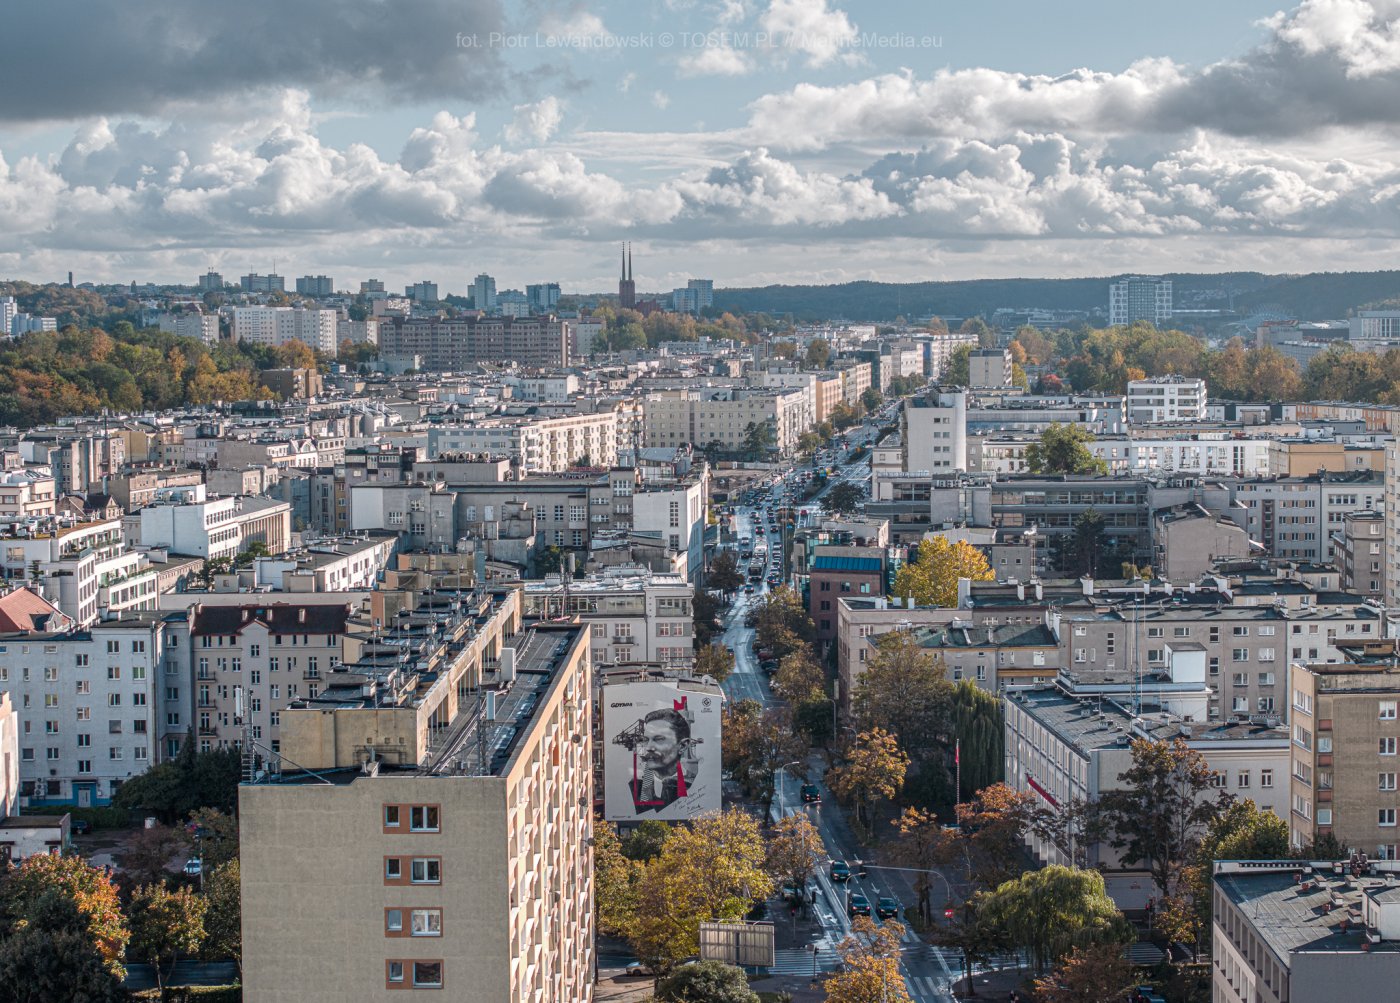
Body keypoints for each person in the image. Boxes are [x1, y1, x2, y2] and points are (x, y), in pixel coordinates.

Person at [628, 708, 696, 813]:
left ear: (682, 746)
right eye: (646, 740)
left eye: (659, 739)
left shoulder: (694, 784)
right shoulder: (636, 786)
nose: (648, 747)